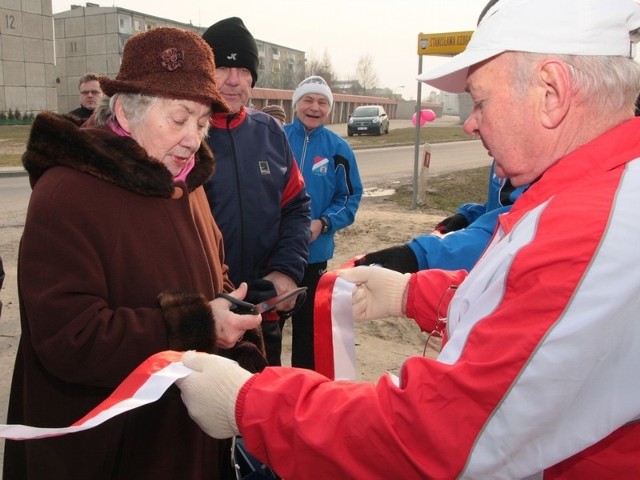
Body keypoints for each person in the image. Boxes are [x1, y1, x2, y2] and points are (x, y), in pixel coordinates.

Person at [176, 0, 640, 477]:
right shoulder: (584, 196)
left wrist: (250, 405)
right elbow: (519, 303)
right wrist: (414, 292)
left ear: (552, 93)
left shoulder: (597, 229)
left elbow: (436, 433)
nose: (470, 122)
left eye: (479, 101)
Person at [4, 27, 265, 480]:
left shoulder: (188, 184)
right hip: (105, 446)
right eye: (180, 118)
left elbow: (212, 271)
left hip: (180, 435)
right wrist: (200, 325)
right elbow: (70, 338)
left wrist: (229, 311)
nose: (192, 138)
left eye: (202, 124)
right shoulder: (66, 193)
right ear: (126, 111)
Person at [201, 17, 311, 367]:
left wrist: (287, 272)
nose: (234, 80)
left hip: (264, 315)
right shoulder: (185, 134)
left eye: (244, 69)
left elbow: (296, 208)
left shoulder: (270, 132)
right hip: (207, 319)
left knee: (261, 413)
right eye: (223, 67)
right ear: (204, 71)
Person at [282, 76, 362, 369]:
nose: (314, 107)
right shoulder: (275, 137)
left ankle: (302, 392)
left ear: (328, 108)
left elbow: (350, 197)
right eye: (308, 100)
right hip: (273, 254)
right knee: (268, 329)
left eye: (322, 102)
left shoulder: (338, 149)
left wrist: (324, 223)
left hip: (314, 256)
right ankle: (267, 390)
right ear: (296, 104)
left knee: (307, 334)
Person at [355, 161, 527, 273]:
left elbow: (513, 229)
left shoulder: (538, 164)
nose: (469, 125)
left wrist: (418, 255)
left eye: (481, 106)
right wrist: (468, 216)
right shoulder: (504, 154)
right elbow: (499, 206)